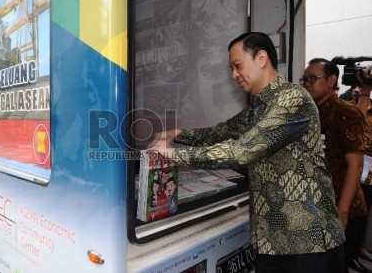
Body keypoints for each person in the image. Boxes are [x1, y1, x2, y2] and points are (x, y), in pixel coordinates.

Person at [148, 32, 345, 273]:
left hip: (308, 241)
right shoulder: (258, 108)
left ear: (261, 58)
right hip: (271, 241)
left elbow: (242, 152)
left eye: (238, 66)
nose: (234, 75)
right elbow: (221, 132)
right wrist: (178, 134)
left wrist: (172, 155)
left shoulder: (293, 98)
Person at [301, 58, 369, 273]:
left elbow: (356, 165)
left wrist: (343, 211)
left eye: (313, 78)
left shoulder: (347, 112)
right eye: (305, 79)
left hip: (341, 207)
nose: (307, 84)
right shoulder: (309, 113)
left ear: (331, 80)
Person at [350, 70, 372, 266]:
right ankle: (350, 255)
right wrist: (364, 93)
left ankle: (359, 248)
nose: (358, 90)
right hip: (355, 170)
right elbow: (357, 128)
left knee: (365, 214)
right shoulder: (350, 108)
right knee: (354, 215)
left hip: (370, 172)